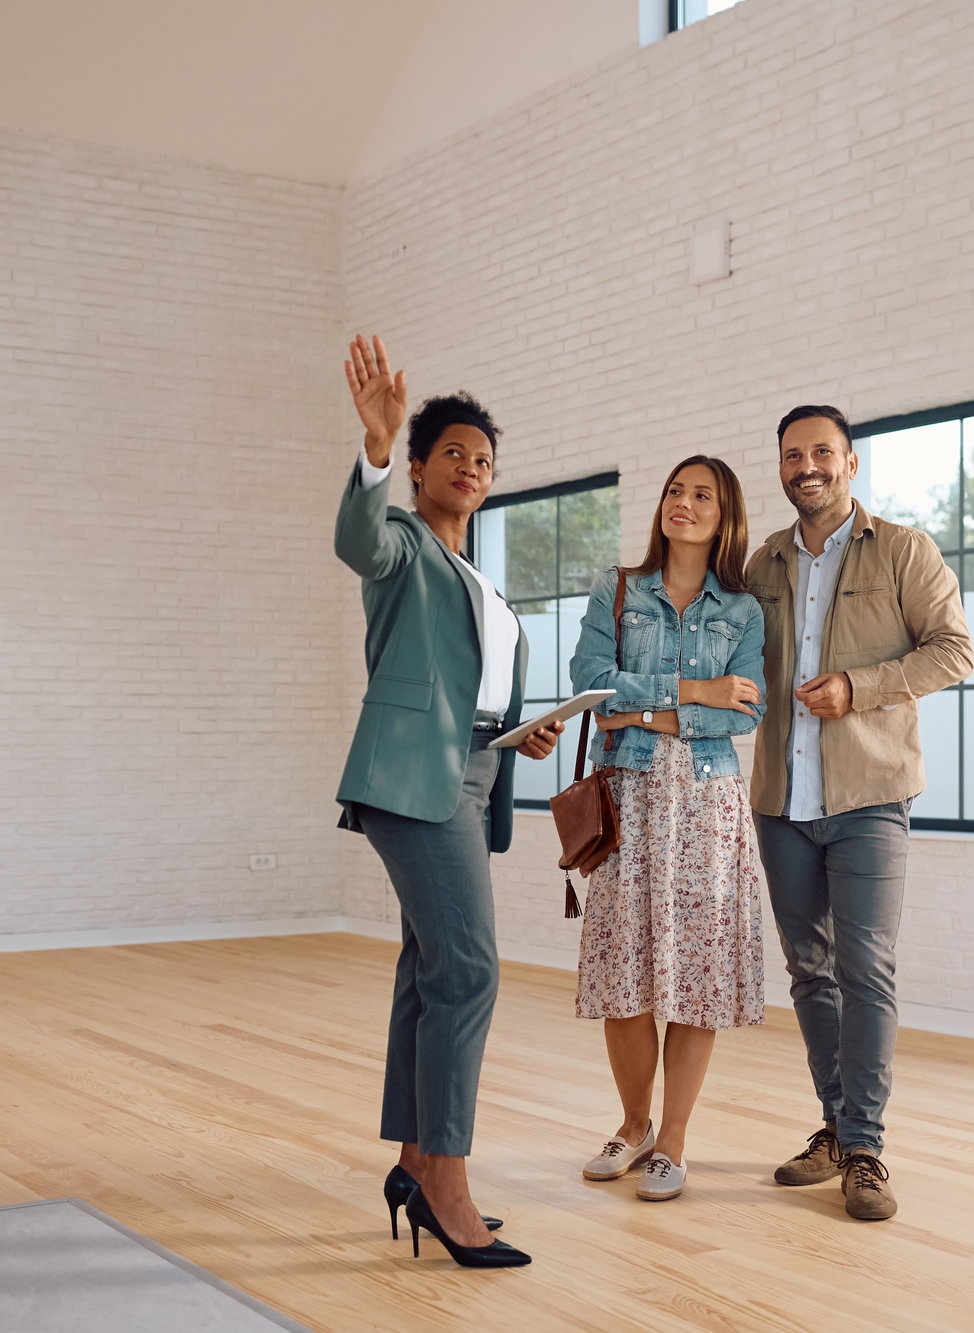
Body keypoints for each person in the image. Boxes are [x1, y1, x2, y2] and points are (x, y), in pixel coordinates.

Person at [334, 335, 562, 1269]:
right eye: (454, 454)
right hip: (412, 779)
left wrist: (520, 735)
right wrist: (376, 446)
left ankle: (416, 1156)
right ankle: (449, 1184)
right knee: (469, 971)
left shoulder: (481, 581)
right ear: (421, 467)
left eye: (484, 460)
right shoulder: (401, 549)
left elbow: (475, 695)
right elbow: (357, 539)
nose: (471, 468)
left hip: (474, 770)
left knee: (430, 968)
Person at [745, 404, 973, 1222]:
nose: (806, 465)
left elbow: (954, 648)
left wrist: (857, 687)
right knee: (809, 971)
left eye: (821, 452)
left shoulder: (904, 550)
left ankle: (866, 1145)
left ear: (850, 464)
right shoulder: (763, 563)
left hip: (871, 796)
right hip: (780, 801)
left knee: (865, 969)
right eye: (792, 454)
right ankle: (837, 1129)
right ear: (781, 467)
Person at [567, 455, 767, 1203]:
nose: (683, 503)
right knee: (625, 973)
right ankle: (633, 1122)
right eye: (675, 491)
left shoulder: (743, 611)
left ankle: (674, 1138)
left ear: (724, 514)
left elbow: (746, 711)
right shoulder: (616, 592)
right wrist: (692, 690)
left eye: (701, 495)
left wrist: (641, 705)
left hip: (709, 807)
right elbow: (591, 686)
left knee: (695, 975)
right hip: (630, 797)